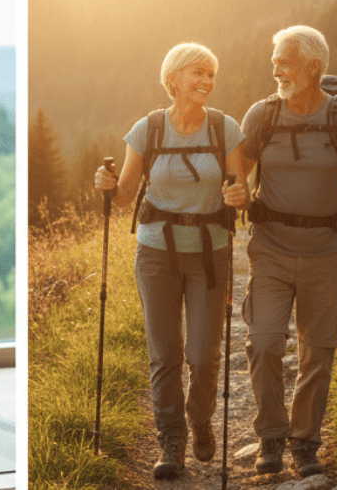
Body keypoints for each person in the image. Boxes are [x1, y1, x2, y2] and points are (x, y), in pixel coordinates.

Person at [225, 25, 337, 478]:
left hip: (327, 253)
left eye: (284, 61)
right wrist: (234, 191)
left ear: (313, 67)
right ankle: (270, 436)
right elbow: (239, 173)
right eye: (274, 60)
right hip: (270, 248)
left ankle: (305, 441)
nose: (275, 69)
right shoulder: (261, 115)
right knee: (265, 341)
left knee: (318, 351)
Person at [94, 43, 245, 479]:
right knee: (165, 354)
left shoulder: (224, 129)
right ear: (174, 77)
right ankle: (171, 438)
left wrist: (238, 196)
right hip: (156, 253)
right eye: (197, 73)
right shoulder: (148, 129)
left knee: (203, 354)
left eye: (211, 75)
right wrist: (105, 185)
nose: (206, 81)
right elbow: (124, 196)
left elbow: (242, 191)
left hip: (210, 252)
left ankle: (200, 418)